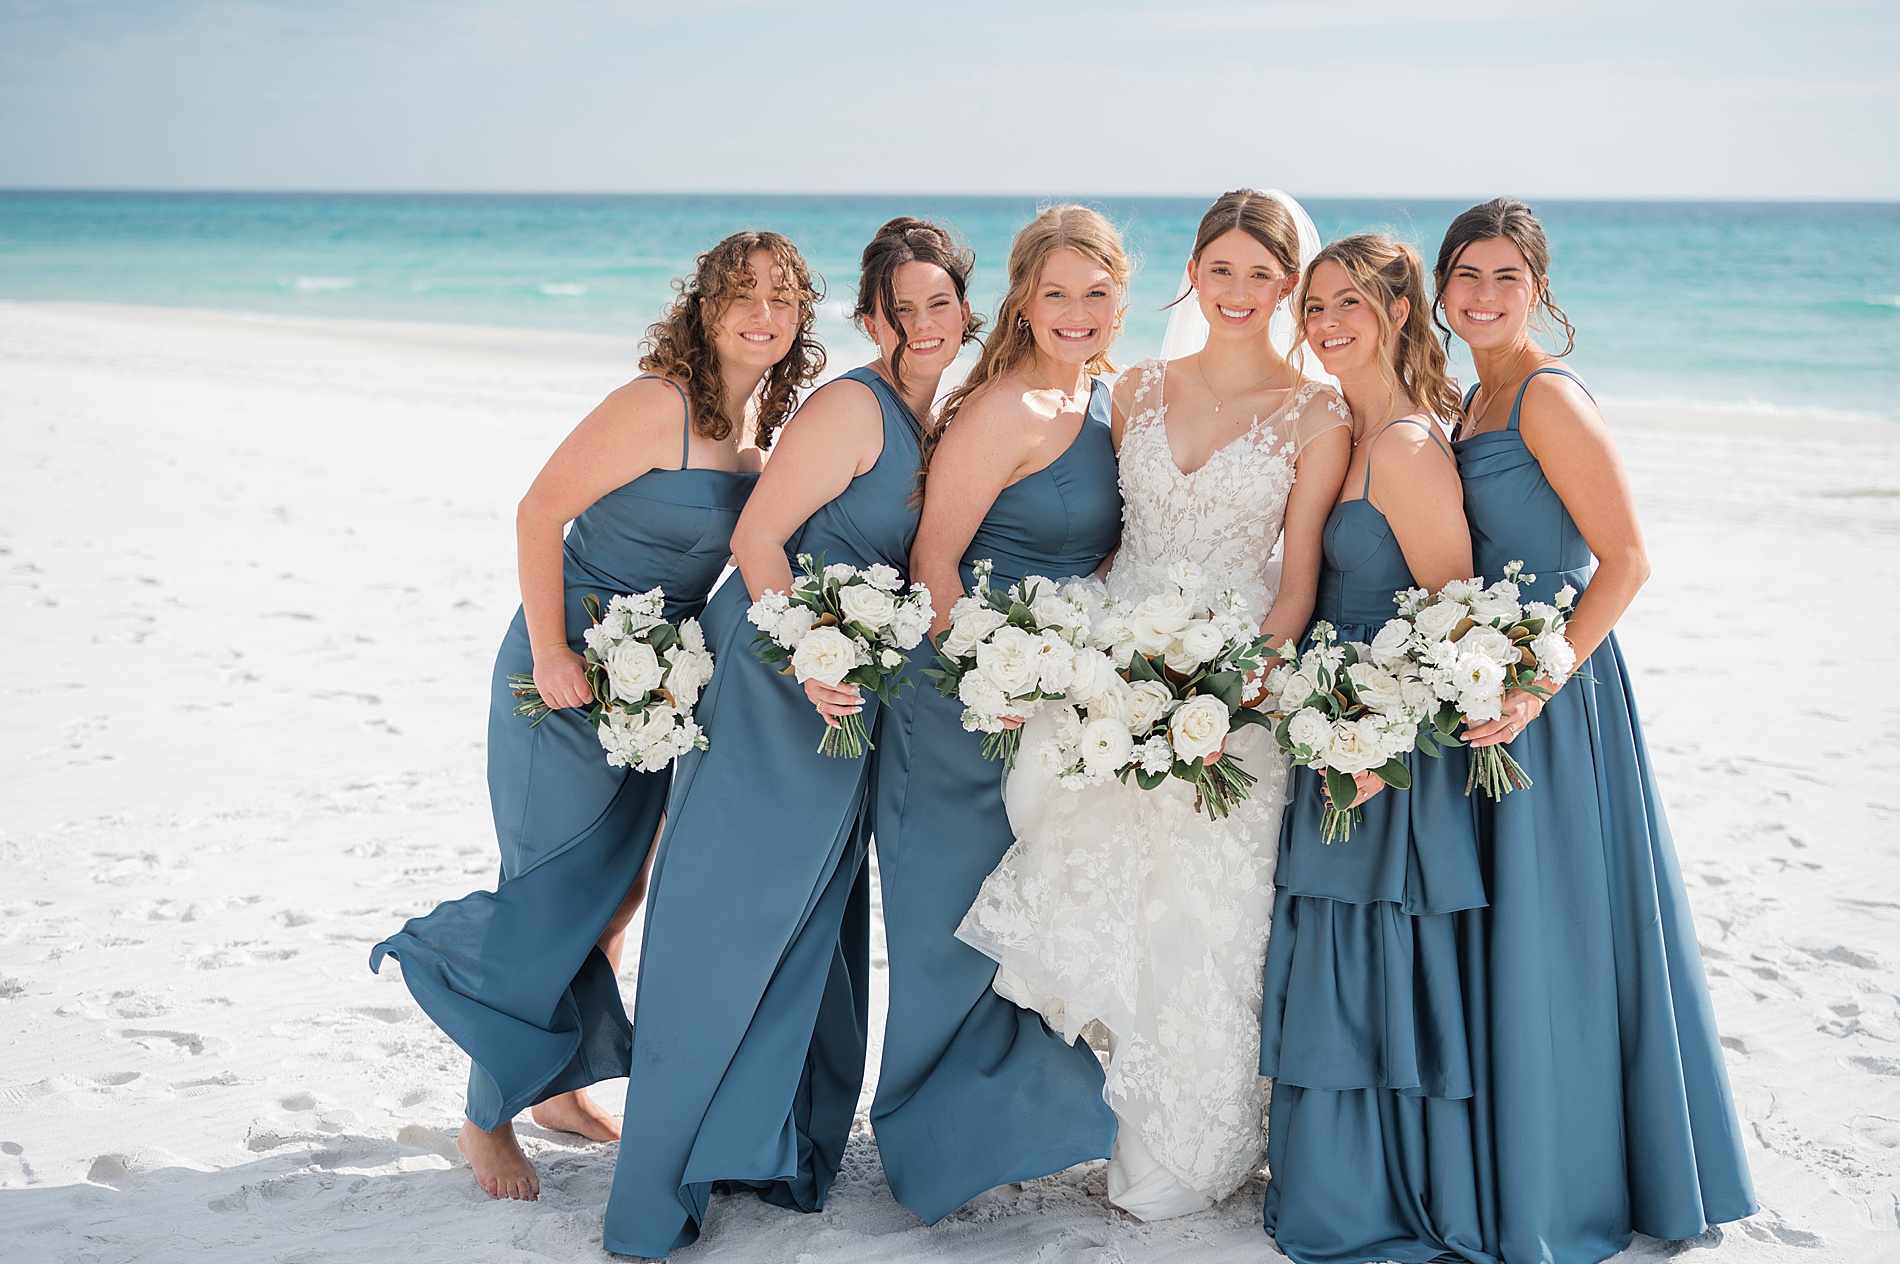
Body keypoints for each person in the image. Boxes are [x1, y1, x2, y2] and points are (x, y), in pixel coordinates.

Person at [369, 232, 821, 1201]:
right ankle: (482, 1118)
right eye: (743, 295)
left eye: (783, 298)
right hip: (563, 672)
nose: (763, 314)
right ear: (704, 307)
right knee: (547, 893)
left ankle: (556, 1090)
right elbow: (539, 513)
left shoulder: (753, 432)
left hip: (652, 686)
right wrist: (552, 652)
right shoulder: (655, 402)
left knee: (615, 893)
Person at [957, 189, 1353, 1220]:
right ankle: (1118, 1119)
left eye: (1262, 274)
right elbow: (1103, 536)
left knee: (1213, 921)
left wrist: (1232, 692)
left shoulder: (1318, 412)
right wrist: (1084, 661)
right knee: (1116, 905)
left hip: (1231, 694)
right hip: (1111, 675)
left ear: (1291, 285)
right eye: (1219, 269)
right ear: (1191, 270)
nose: (1237, 291)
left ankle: (1195, 1146)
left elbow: (1297, 579)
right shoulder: (1130, 388)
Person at [601, 218, 971, 1258]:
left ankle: (763, 1143)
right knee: (727, 917)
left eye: (939, 303)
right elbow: (754, 536)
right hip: (776, 674)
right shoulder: (854, 404)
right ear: (869, 321)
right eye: (901, 309)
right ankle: (659, 1176)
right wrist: (810, 650)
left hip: (840, 689)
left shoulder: (937, 411)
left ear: (965, 309)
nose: (923, 322)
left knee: (811, 916)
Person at [1441, 197, 1756, 1262]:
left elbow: (1624, 561)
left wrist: (1539, 680)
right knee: (1520, 935)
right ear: (1441, 288)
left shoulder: (1544, 395)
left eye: (1505, 279)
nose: (1483, 296)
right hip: (1479, 682)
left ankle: (1577, 1179)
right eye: (1466, 276)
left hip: (1554, 694)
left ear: (1539, 291)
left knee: (1564, 934)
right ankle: (1524, 1155)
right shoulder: (1466, 404)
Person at [870, 206, 1125, 1222]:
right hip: (959, 700)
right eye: (1054, 292)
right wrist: (992, 679)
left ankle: (1004, 1129)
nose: (1075, 312)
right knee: (947, 933)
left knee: (1028, 923)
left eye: (1095, 292)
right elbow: (933, 560)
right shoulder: (1004, 407)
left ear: (1120, 296)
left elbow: (1101, 550)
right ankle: (928, 1153)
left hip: (1051, 702)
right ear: (1021, 298)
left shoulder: (1105, 400)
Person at [1257, 232, 1485, 1261]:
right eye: (1313, 306)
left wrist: (1375, 740)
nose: (1326, 323)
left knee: (1371, 956)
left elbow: (1454, 621)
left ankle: (1373, 1193)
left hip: (1386, 753)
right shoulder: (1346, 427)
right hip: (1331, 725)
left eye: (1349, 302)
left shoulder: (1403, 446)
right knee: (1329, 951)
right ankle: (1330, 1177)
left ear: (1399, 311)